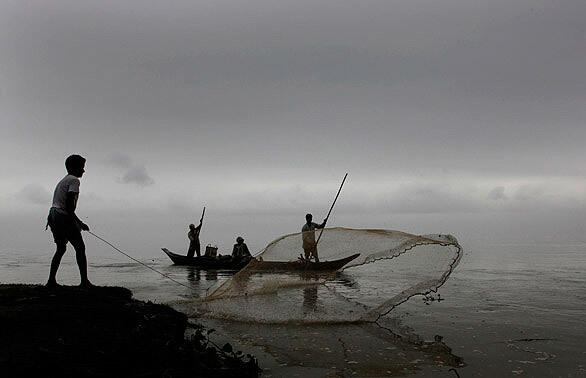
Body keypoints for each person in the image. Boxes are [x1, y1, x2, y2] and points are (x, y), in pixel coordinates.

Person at [46, 154, 92, 288]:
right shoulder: (74, 181)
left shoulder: (64, 180)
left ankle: (51, 281)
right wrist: (79, 222)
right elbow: (69, 206)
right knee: (80, 247)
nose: (83, 170)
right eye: (82, 167)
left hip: (53, 215)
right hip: (62, 215)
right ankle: (84, 282)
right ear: (74, 167)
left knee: (60, 248)